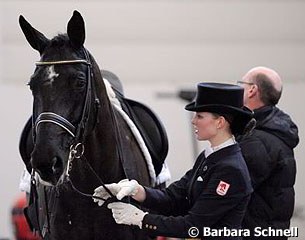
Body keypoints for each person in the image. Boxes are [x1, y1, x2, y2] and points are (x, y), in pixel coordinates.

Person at [93, 82, 254, 239]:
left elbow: (194, 226)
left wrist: (141, 219)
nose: (193, 121)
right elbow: (174, 197)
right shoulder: (210, 156)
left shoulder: (230, 169)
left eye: (200, 116)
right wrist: (137, 191)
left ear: (220, 122)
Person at [237, 67, 299, 239]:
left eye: (240, 84)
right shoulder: (271, 130)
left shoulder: (259, 140)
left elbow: (228, 193)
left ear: (252, 90)